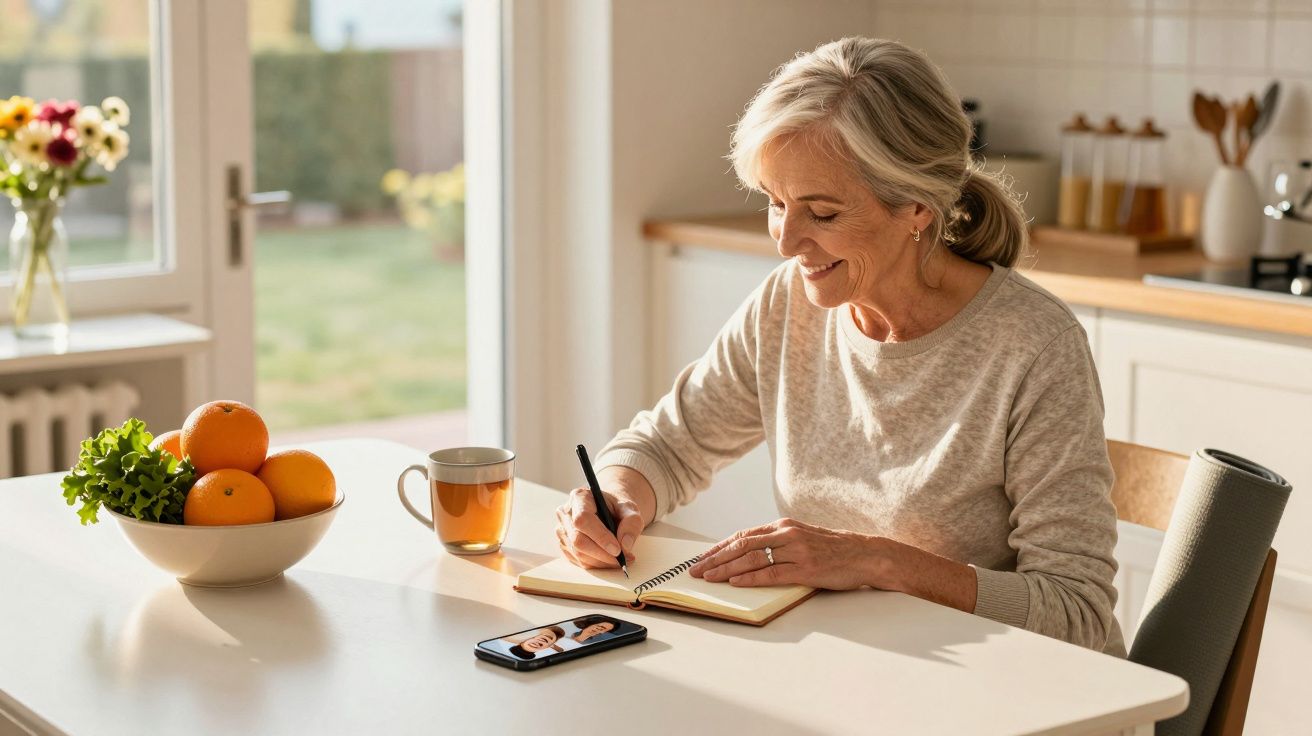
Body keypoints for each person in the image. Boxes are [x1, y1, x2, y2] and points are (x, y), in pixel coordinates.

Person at [554, 37, 1124, 656]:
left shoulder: (1034, 346)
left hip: (1017, 696)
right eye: (776, 204)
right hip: (862, 674)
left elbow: (1077, 612)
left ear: (915, 207)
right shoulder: (787, 304)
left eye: (821, 214)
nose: (786, 241)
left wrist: (878, 562)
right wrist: (613, 496)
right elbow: (665, 447)